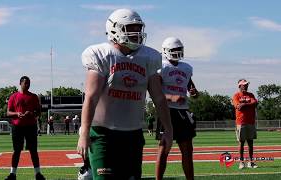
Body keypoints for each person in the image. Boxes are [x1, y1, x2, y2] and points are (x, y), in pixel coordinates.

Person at [77, 8, 173, 180]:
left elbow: (158, 97)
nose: (137, 33)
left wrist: (168, 129)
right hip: (102, 133)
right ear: (115, 29)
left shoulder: (148, 57)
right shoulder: (102, 55)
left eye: (138, 28)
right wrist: (84, 133)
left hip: (133, 134)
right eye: (131, 28)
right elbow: (91, 97)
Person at [155, 37, 198, 180]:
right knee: (164, 148)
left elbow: (191, 87)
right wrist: (172, 97)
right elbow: (155, 92)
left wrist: (194, 92)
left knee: (187, 150)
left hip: (183, 111)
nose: (177, 52)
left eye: (179, 49)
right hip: (167, 110)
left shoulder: (186, 68)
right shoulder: (162, 66)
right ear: (166, 51)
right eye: (174, 50)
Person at [5, 76, 46, 180]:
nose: (28, 85)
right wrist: (17, 114)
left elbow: (39, 112)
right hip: (17, 127)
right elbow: (8, 113)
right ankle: (12, 174)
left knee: (33, 151)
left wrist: (31, 113)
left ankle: (38, 174)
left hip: (31, 126)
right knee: (16, 151)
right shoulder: (13, 97)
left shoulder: (33, 97)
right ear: (20, 83)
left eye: (29, 83)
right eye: (26, 83)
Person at [232, 79, 258, 169]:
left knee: (251, 143)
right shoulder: (236, 95)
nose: (246, 86)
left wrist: (245, 104)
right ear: (239, 86)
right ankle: (241, 162)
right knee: (241, 143)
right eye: (244, 85)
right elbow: (238, 106)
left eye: (246, 85)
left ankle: (251, 162)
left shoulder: (251, 95)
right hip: (241, 122)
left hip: (250, 121)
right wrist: (248, 104)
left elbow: (255, 102)